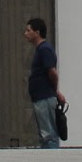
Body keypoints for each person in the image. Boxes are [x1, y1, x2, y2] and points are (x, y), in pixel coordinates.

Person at [24, 17, 65, 149]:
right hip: (42, 96)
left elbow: (52, 73)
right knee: (45, 133)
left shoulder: (44, 49)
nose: (25, 33)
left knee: (48, 134)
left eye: (28, 30)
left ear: (37, 32)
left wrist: (54, 91)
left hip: (44, 97)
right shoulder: (41, 49)